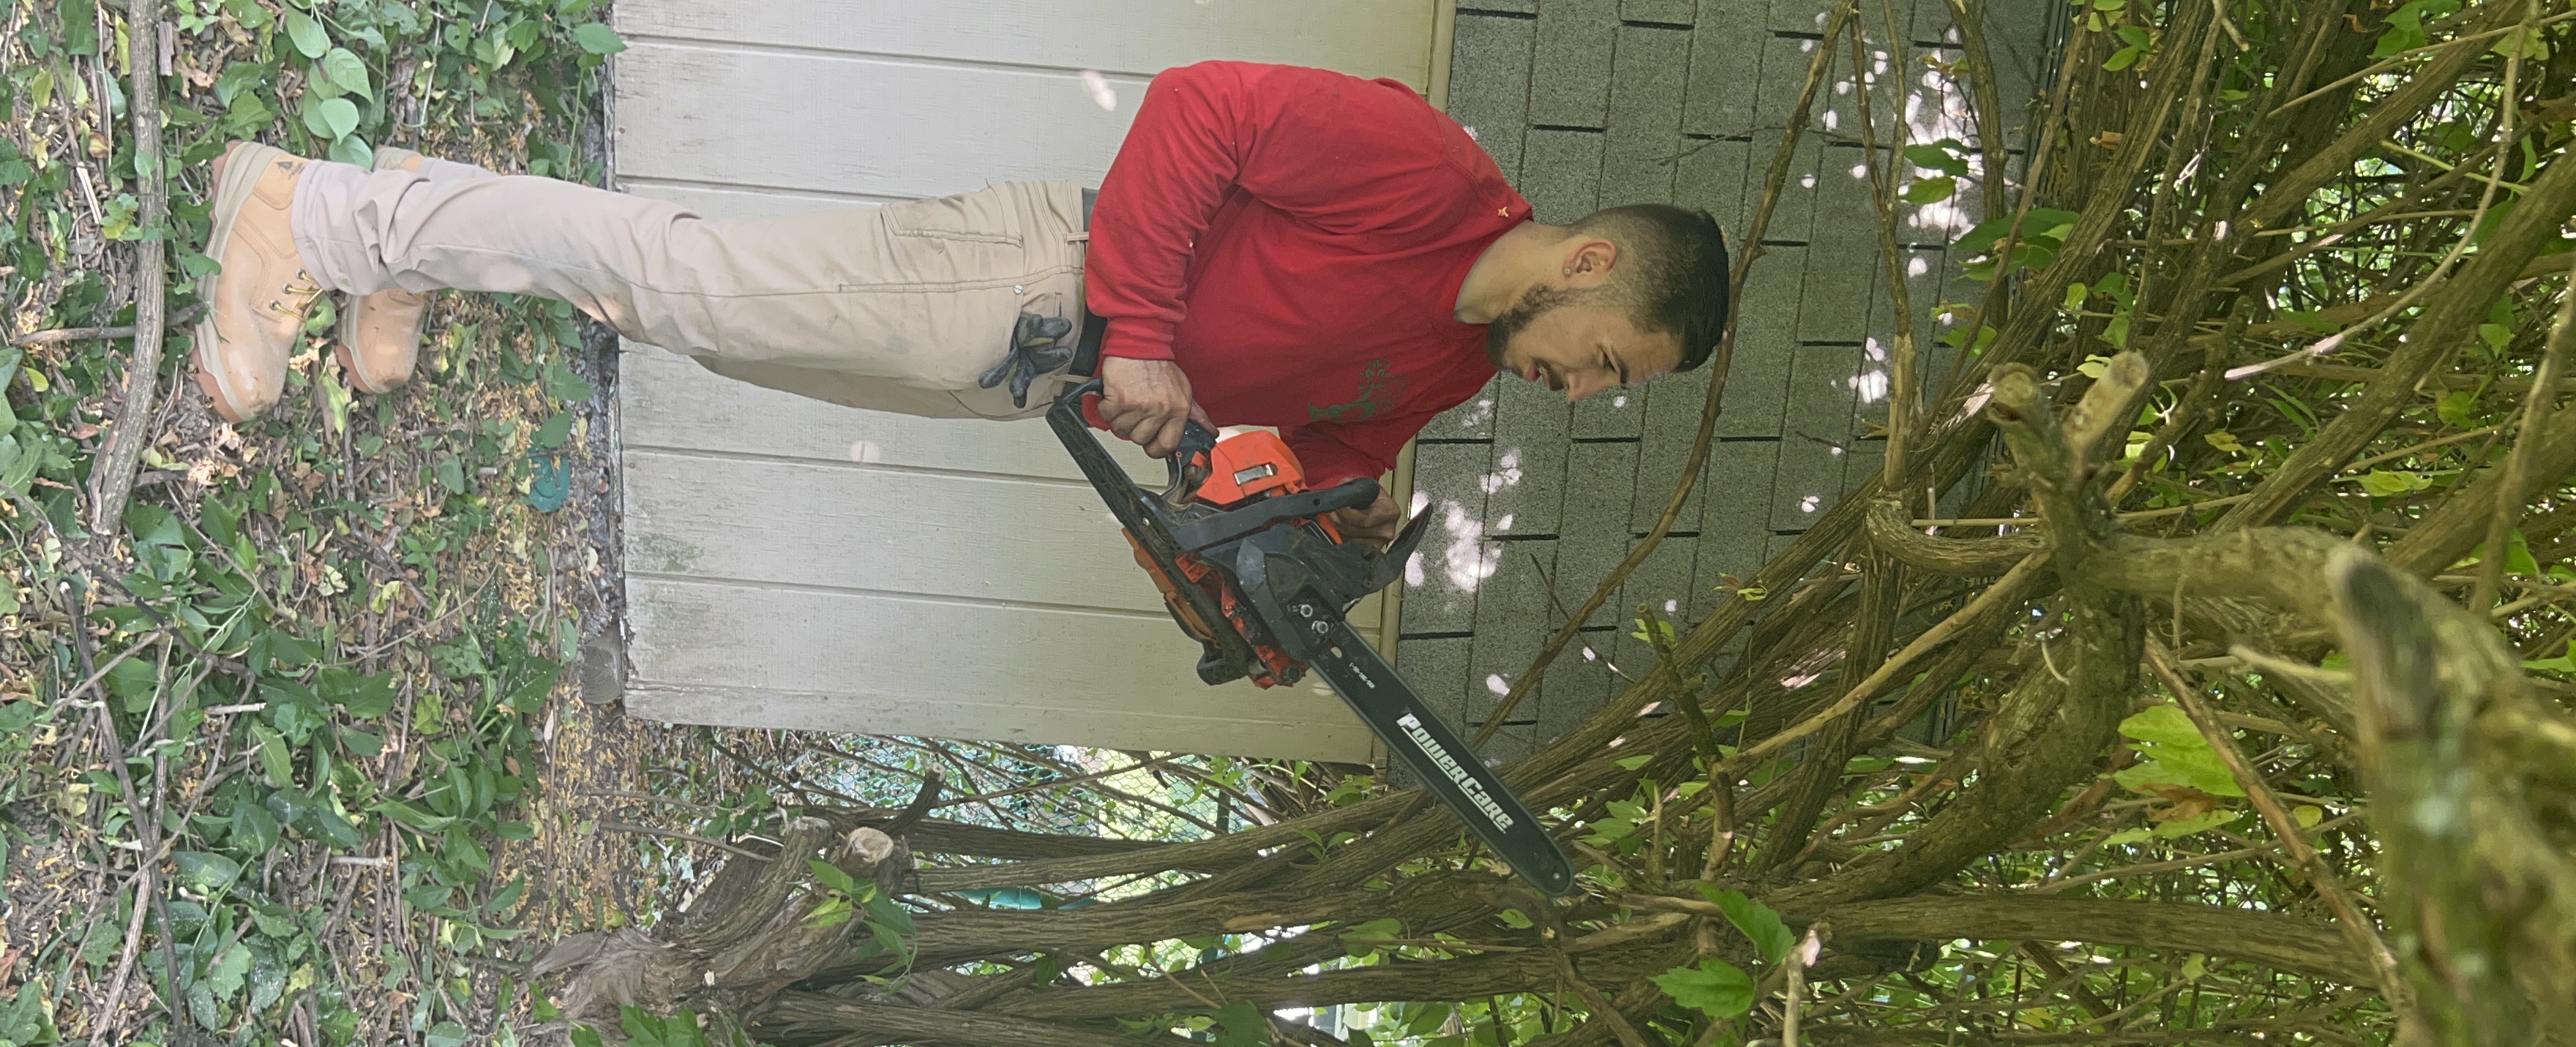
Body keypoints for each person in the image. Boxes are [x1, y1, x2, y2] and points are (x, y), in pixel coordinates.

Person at [192, 61, 1730, 543]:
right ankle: (305, 210)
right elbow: (1201, 111)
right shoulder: (1420, 168)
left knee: (696, 319)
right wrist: (1141, 330)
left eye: (1608, 392)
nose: (1584, 393)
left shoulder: (1450, 377)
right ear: (1588, 267)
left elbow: (1288, 461)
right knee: (679, 274)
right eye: (1607, 365)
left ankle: (397, 235)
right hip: (1027, 281)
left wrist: (1313, 535)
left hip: (1024, 379)